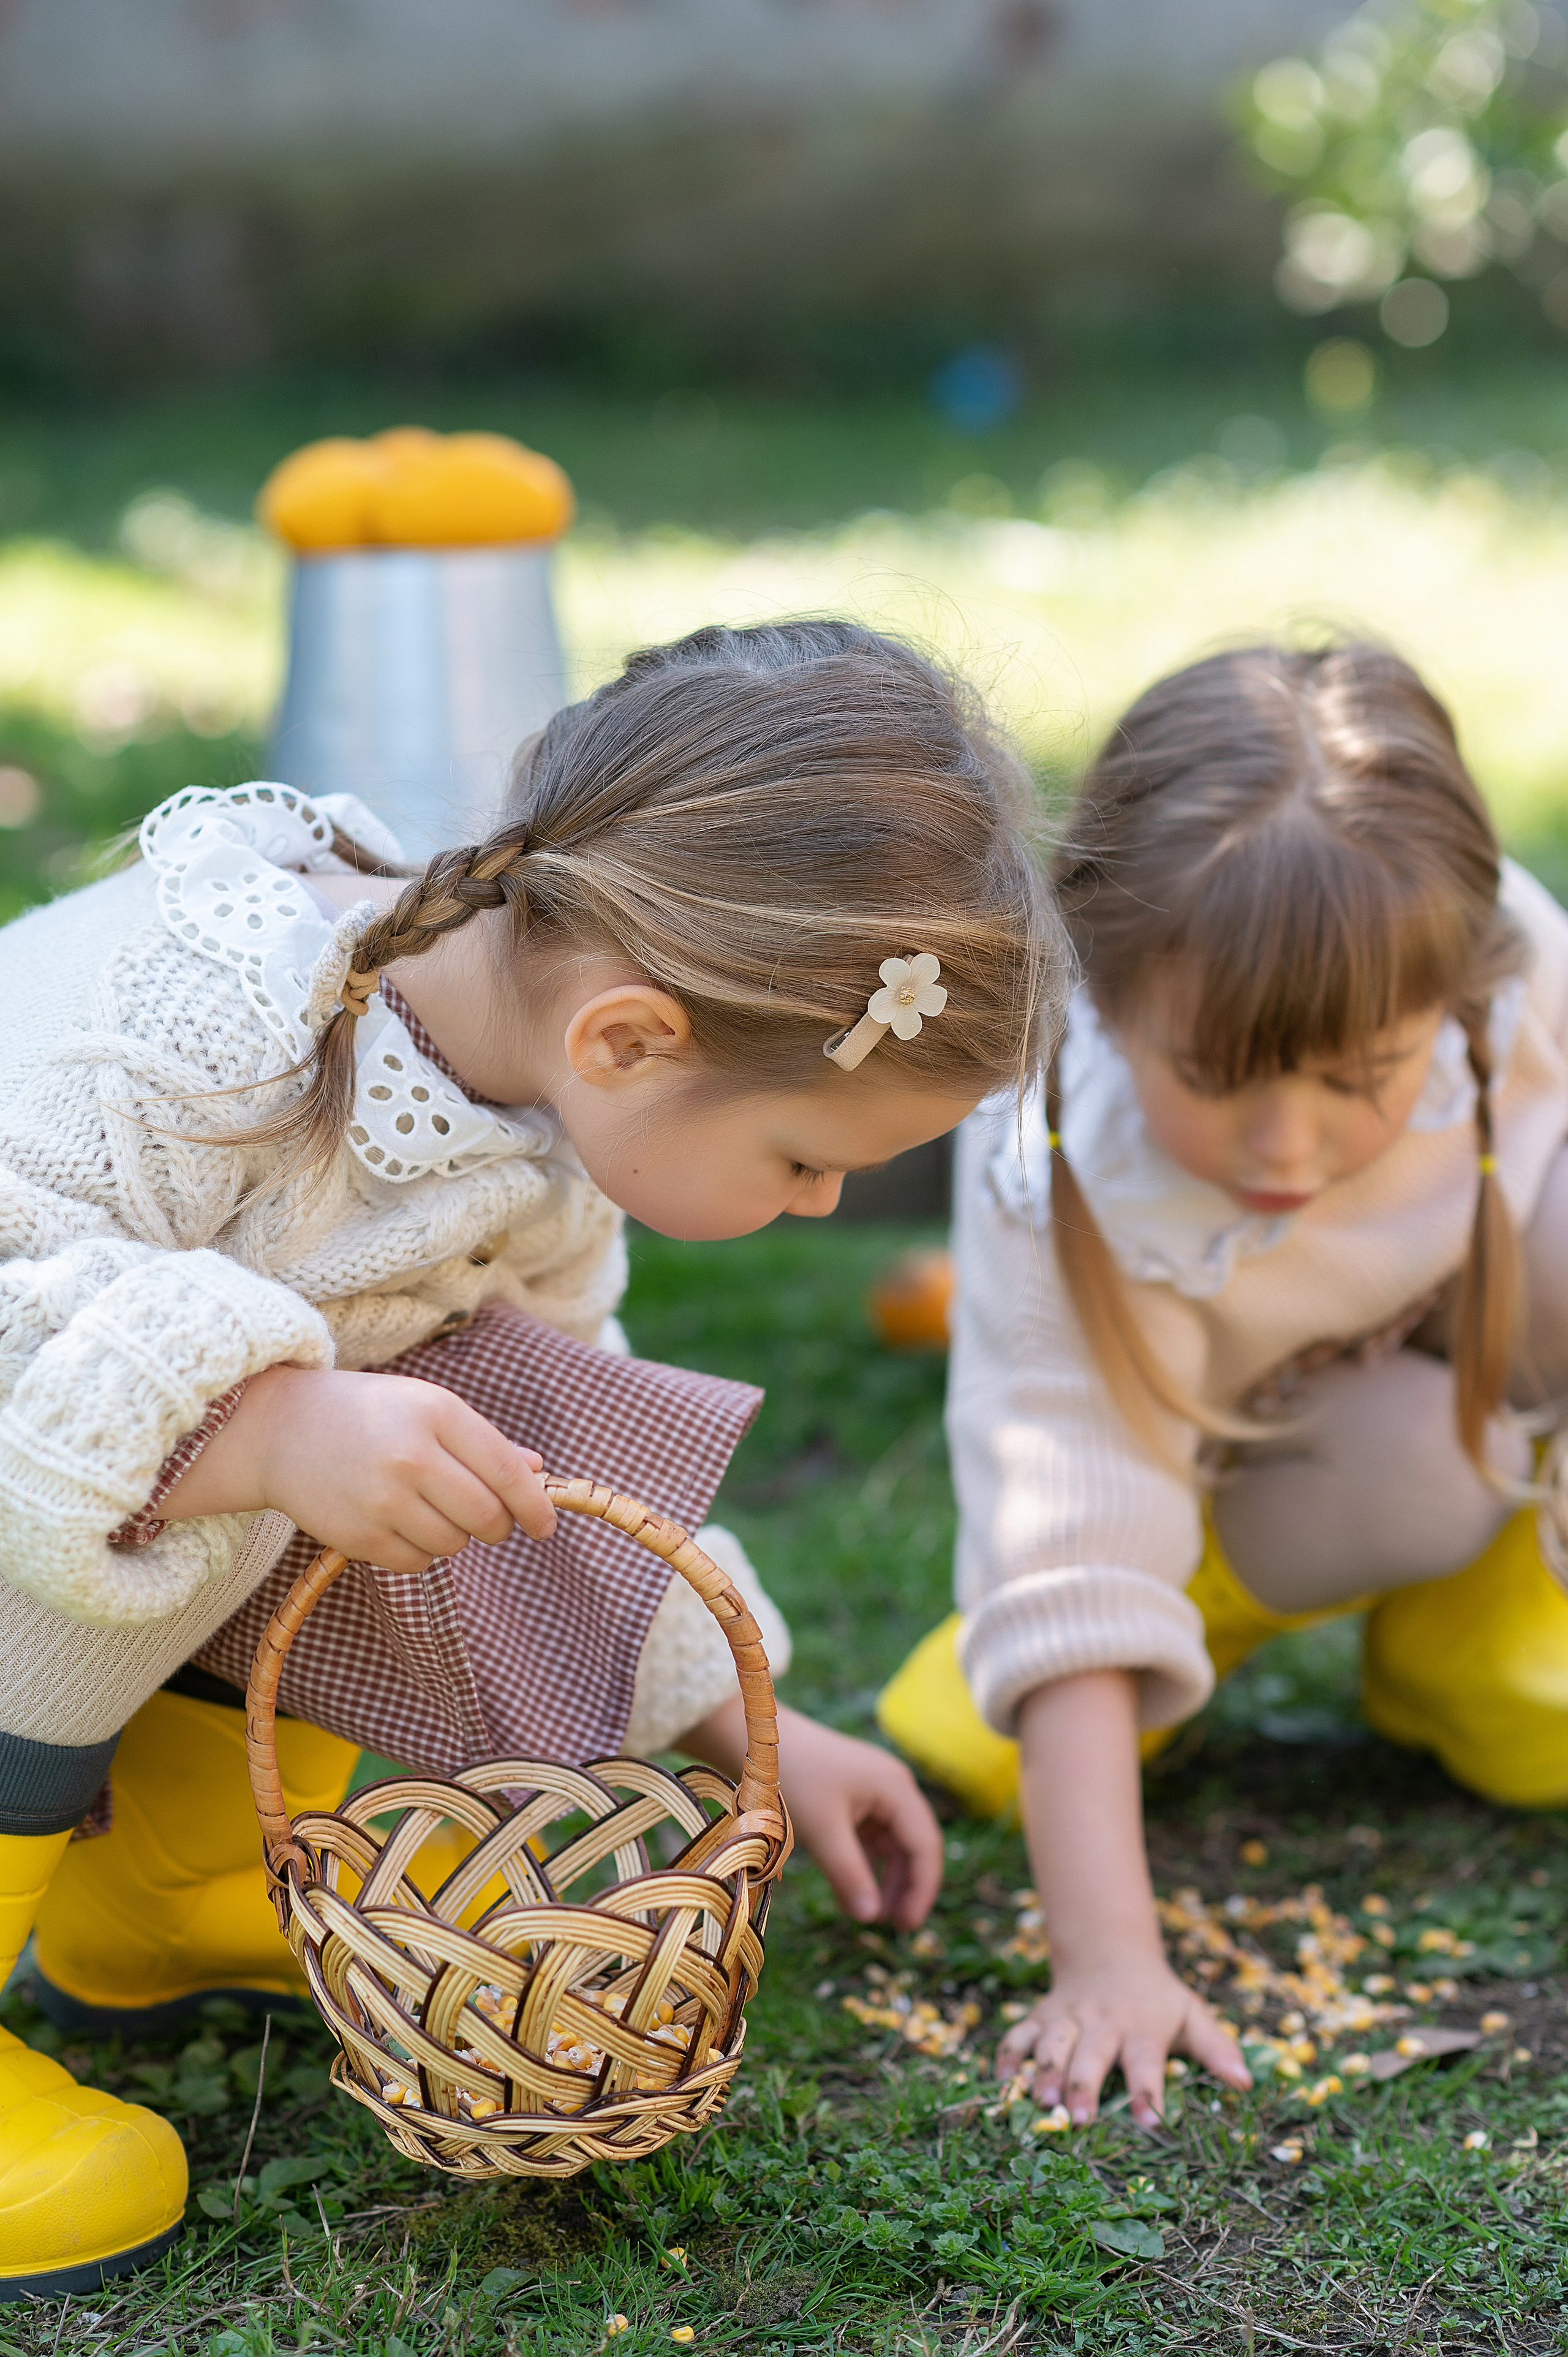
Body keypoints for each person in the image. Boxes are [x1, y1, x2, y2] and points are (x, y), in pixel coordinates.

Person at [0, 619, 1064, 2295]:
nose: (822, 1206)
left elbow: (549, 1440)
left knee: (410, 1450)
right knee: (203, 1448)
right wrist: (270, 1420)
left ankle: (153, 1901)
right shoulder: (193, 1037)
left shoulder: (531, 1123)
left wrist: (739, 1693)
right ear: (628, 1040)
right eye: (805, 1158)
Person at [880, 639, 1568, 2130]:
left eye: (1352, 1079)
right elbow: (1070, 1507)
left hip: (1465, 1364)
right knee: (1396, 1487)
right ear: (1107, 997)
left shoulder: (1495, 962)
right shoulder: (1056, 1156)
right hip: (1252, 1473)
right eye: (1219, 1078)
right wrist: (1108, 1957)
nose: (1285, 1152)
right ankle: (1146, 1646)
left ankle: (1489, 1633)